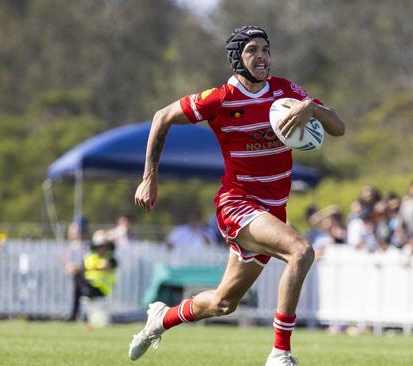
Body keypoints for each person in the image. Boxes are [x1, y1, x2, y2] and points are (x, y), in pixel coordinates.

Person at [128, 26, 345, 366]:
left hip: (273, 211)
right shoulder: (220, 99)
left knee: (222, 303)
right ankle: (280, 353)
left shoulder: (287, 91)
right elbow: (162, 117)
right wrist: (149, 178)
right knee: (301, 252)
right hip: (239, 204)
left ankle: (160, 319)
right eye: (252, 51)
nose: (262, 57)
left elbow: (338, 127)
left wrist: (312, 109)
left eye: (265, 50)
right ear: (236, 60)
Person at [67, 229, 118, 322]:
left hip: (101, 290)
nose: (101, 248)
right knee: (76, 279)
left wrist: (83, 269)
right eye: (98, 246)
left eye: (102, 246)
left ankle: (74, 315)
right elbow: (81, 267)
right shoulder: (89, 257)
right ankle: (74, 315)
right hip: (89, 286)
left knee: (77, 279)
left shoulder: (111, 258)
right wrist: (73, 268)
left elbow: (106, 266)